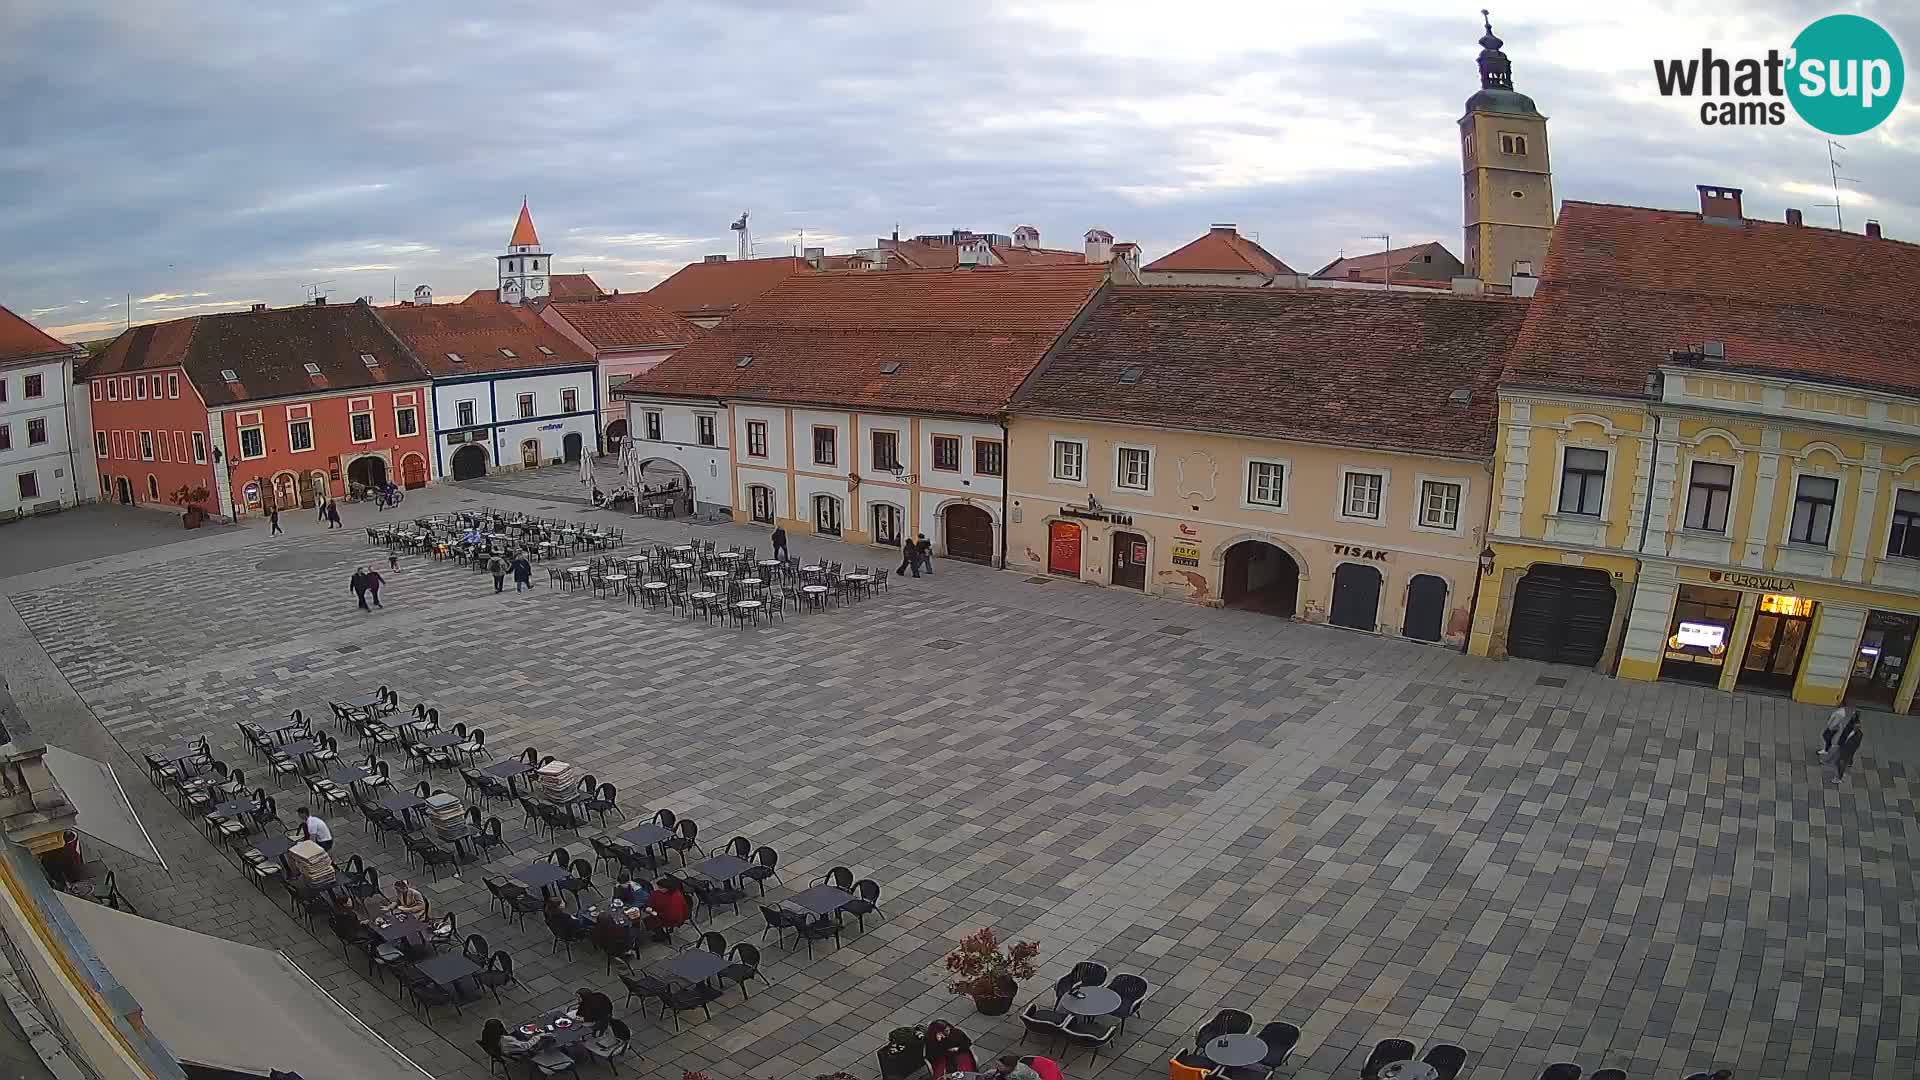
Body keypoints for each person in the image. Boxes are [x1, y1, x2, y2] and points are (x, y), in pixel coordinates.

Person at [643, 877, 689, 942]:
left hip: (670, 919)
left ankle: (660, 936)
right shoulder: (676, 892)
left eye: (660, 888)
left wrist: (653, 912)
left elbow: (668, 914)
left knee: (648, 922)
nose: (658, 889)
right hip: (678, 914)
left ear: (666, 888)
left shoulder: (670, 899)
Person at [480, 1018, 550, 1060]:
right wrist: (538, 1036)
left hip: (503, 1047)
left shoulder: (486, 1033)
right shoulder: (505, 1040)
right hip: (514, 1048)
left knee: (520, 1031)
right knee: (546, 1040)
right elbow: (525, 1046)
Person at [1831, 714, 1864, 783]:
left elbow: (1854, 746)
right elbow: (1845, 735)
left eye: (1856, 727)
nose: (1854, 727)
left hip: (1846, 751)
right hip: (1844, 747)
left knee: (1841, 763)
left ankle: (1839, 778)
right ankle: (1841, 772)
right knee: (1839, 762)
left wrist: (1846, 753)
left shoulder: (1858, 735)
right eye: (1855, 726)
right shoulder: (1851, 729)